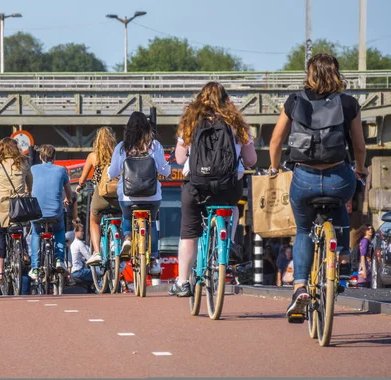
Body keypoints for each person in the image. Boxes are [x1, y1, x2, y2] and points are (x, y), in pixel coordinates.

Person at [269, 53, 368, 319]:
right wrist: (360, 169)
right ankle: (343, 263)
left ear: (309, 73)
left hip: (304, 177)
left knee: (303, 229)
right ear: (337, 73)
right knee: (341, 208)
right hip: (338, 177)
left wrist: (275, 167)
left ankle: (300, 286)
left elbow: (276, 140)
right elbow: (359, 146)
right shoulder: (348, 103)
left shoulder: (294, 100)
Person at [169, 82, 257, 296]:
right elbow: (252, 160)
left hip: (196, 187)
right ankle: (229, 242)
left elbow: (180, 159)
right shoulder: (236, 123)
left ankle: (182, 282)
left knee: (189, 232)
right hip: (228, 187)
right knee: (233, 208)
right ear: (226, 100)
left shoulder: (191, 122)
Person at [107, 111, 171, 275]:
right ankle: (155, 261)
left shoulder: (122, 147)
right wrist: (166, 171)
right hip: (152, 196)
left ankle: (127, 237)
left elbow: (113, 172)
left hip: (128, 195)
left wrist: (109, 174)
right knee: (152, 224)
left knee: (127, 216)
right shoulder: (154, 145)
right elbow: (164, 169)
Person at [0, 137, 33, 284]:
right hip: (19, 204)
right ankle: (24, 251)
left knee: (0, 234)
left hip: (1, 204)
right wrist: (27, 192)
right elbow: (29, 181)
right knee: (21, 227)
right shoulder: (23, 162)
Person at [76, 127, 120, 265]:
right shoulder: (118, 154)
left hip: (101, 196)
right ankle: (120, 242)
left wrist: (80, 186)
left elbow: (83, 179)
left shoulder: (93, 156)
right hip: (117, 196)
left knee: (94, 221)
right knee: (123, 217)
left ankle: (97, 252)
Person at [29, 144, 73, 280]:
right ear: (54, 157)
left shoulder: (33, 169)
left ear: (40, 157)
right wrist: (68, 200)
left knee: (36, 232)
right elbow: (68, 191)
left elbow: (29, 188)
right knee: (59, 230)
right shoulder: (61, 170)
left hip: (37, 212)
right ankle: (59, 260)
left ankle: (35, 268)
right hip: (55, 212)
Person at [69, 223, 96, 292]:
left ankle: (90, 290)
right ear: (76, 232)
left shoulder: (72, 245)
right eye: (81, 231)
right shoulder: (80, 243)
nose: (83, 233)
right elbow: (89, 258)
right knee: (98, 274)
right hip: (79, 272)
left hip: (73, 272)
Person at [352, 224, 375, 288]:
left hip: (369, 270)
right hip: (364, 270)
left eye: (371, 229)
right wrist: (364, 270)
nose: (370, 230)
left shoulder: (369, 242)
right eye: (368, 229)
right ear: (364, 231)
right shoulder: (364, 241)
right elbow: (362, 256)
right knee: (363, 288)